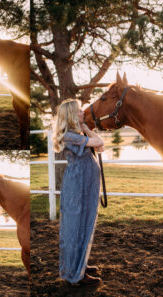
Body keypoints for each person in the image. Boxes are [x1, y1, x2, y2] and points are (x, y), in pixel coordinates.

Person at [53, 99, 104, 286]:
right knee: (75, 226)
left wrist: (84, 127)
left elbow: (100, 146)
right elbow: (98, 141)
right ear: (72, 115)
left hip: (86, 184)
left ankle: (79, 263)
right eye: (80, 111)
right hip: (78, 185)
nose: (83, 112)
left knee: (85, 223)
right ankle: (75, 272)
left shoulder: (77, 134)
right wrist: (84, 127)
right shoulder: (69, 136)